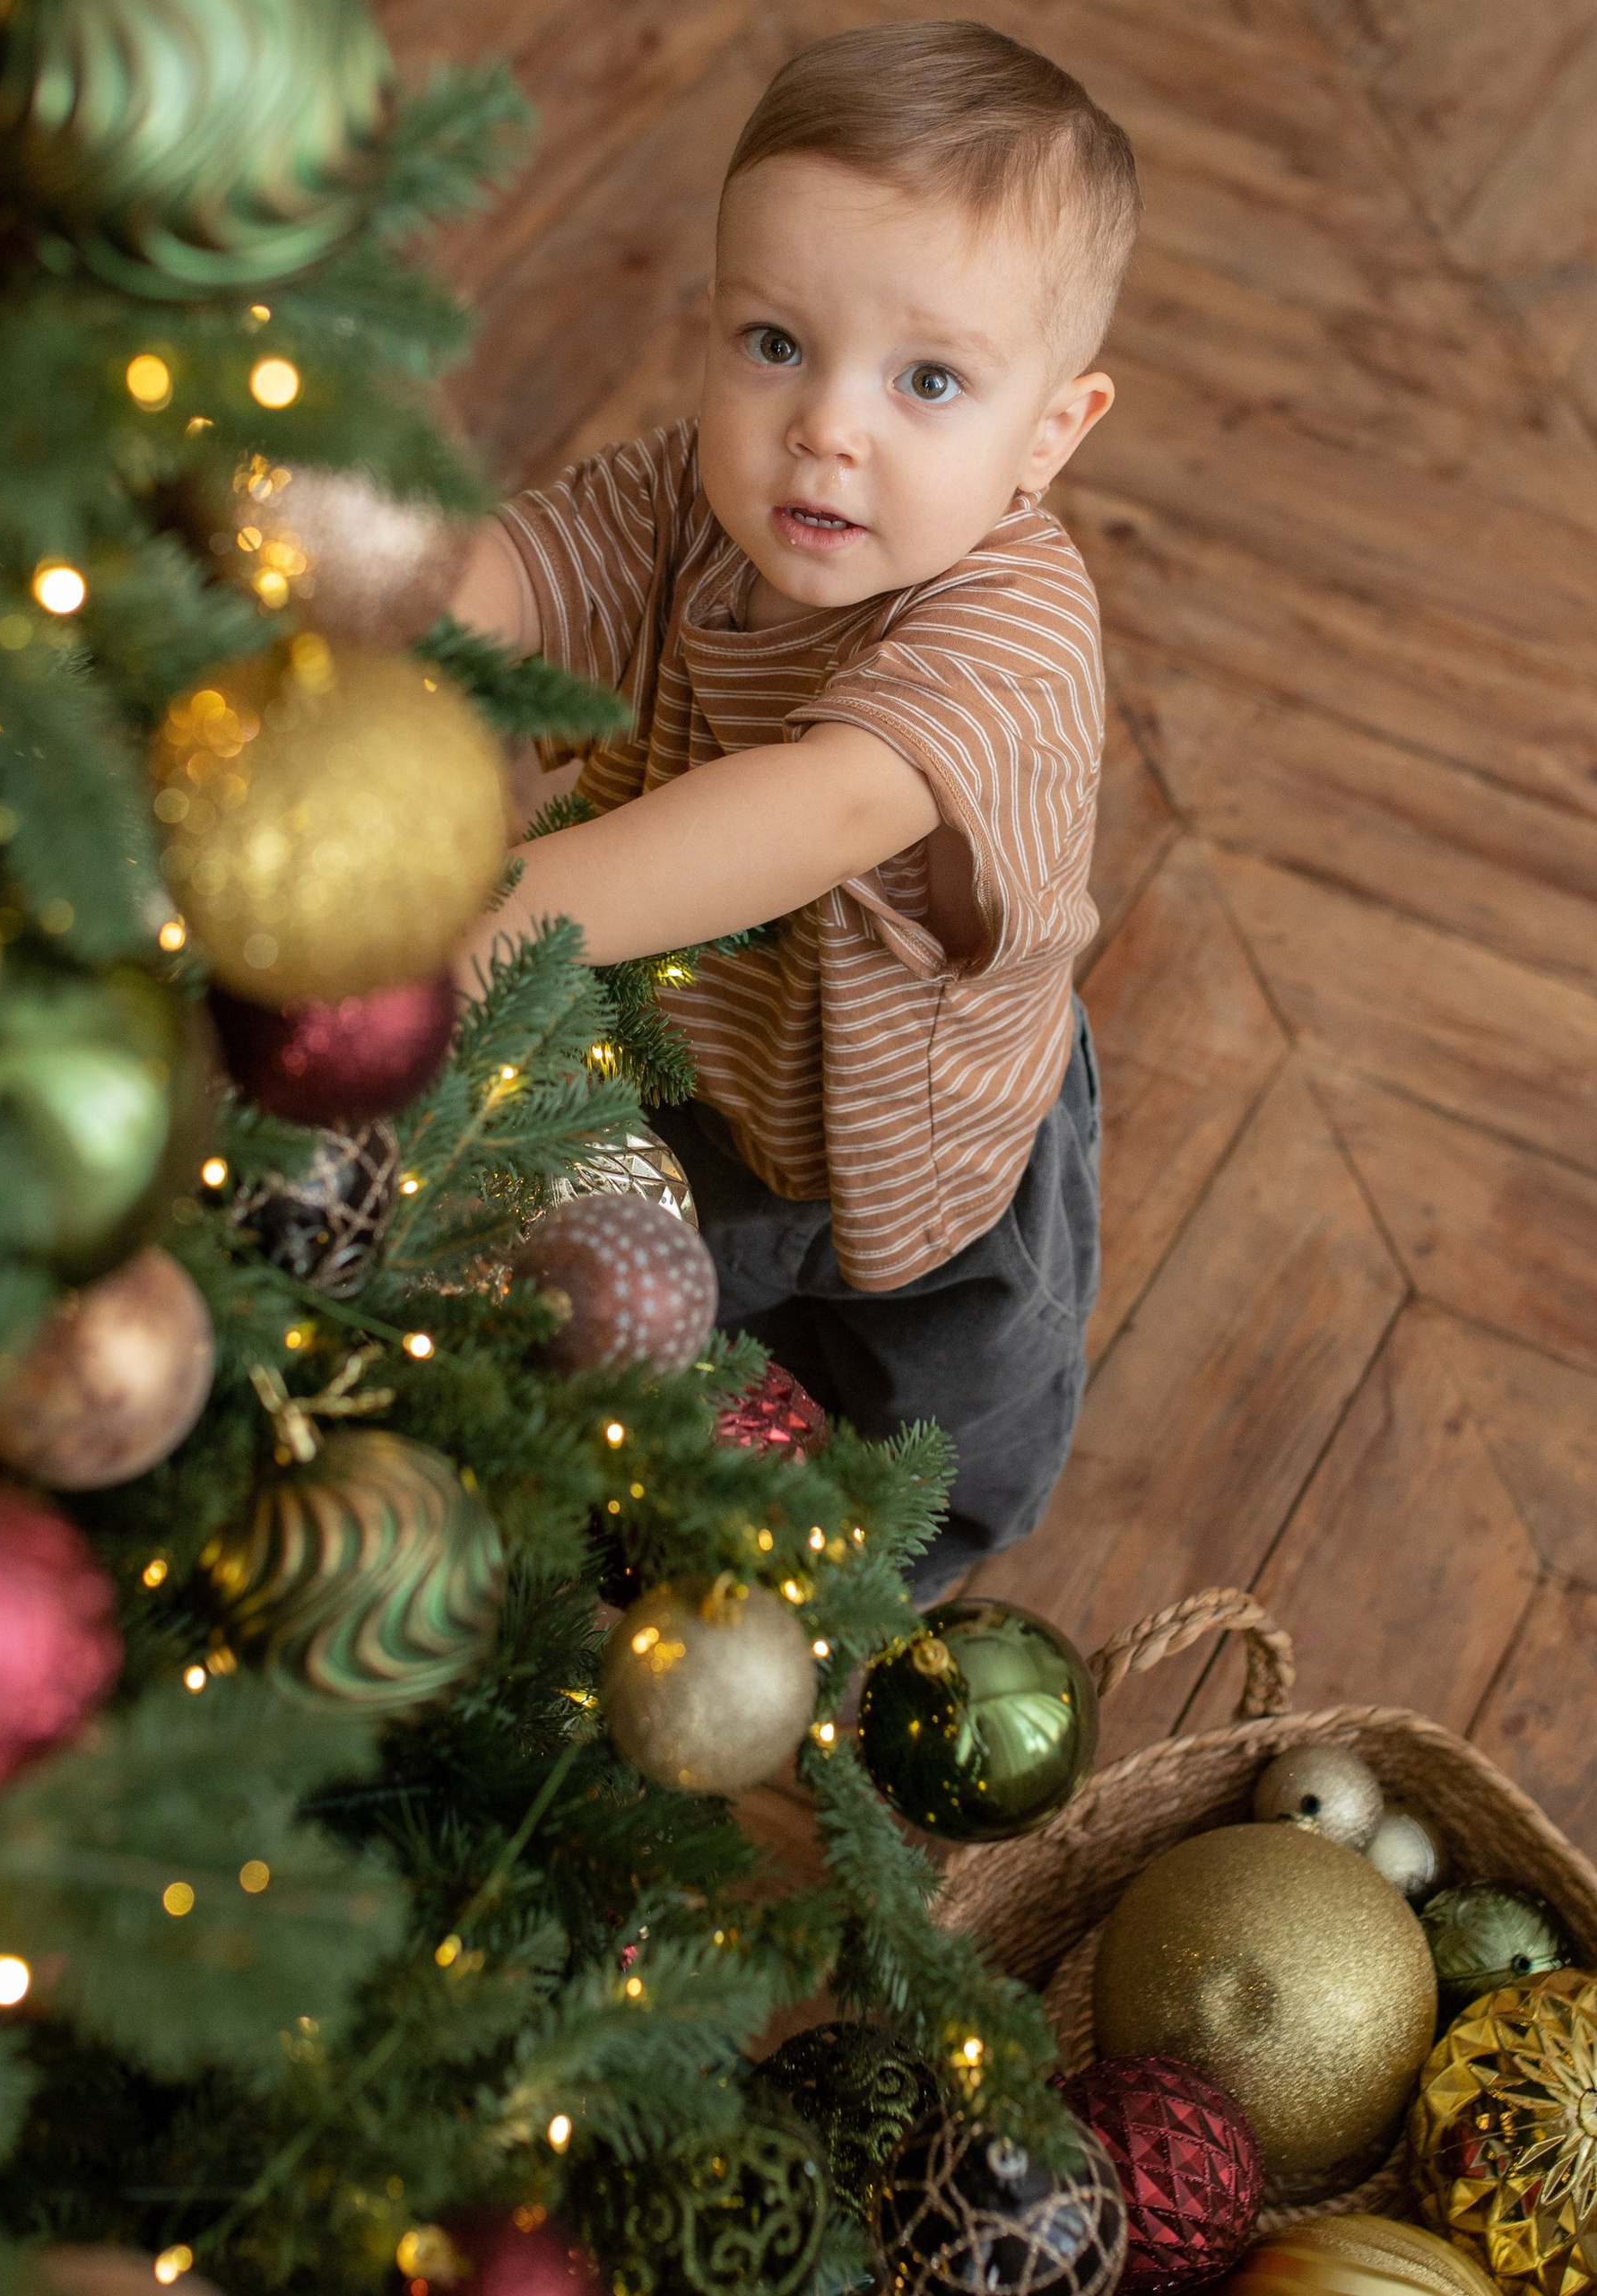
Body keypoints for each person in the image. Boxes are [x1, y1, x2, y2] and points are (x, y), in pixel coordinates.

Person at [451, 19, 1140, 1599]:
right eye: (775, 343)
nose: (828, 426)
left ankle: (877, 1620)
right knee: (678, 1333)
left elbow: (821, 808)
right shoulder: (697, 495)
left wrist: (492, 920)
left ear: (1050, 433)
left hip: (926, 1151)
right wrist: (362, 610)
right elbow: (526, 569)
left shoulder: (1018, 625)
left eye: (929, 380)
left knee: (924, 1434)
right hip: (699, 1060)